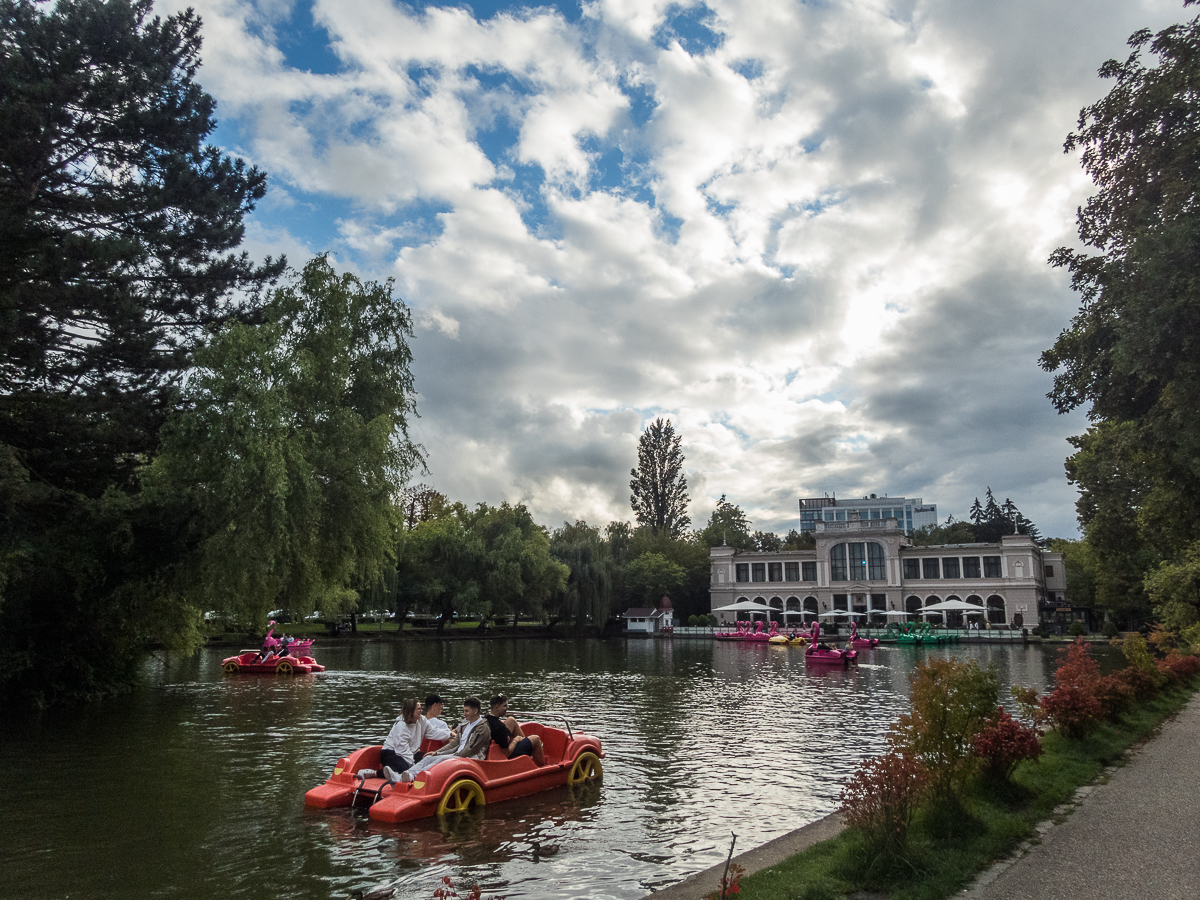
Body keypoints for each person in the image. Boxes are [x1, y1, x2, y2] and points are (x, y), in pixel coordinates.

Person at [397, 697, 492, 783]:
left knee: (442, 759)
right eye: (464, 711)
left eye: (466, 711)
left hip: (473, 759)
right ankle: (405, 775)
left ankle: (416, 776)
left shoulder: (482, 728)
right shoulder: (465, 726)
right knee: (429, 757)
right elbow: (454, 744)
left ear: (475, 711)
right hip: (460, 756)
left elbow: (472, 749)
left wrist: (452, 755)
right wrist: (436, 752)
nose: (464, 714)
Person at [484, 694, 545, 766]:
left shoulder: (486, 718)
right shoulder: (500, 727)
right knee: (536, 739)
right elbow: (507, 753)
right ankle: (542, 767)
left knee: (511, 720)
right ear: (496, 707)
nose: (508, 707)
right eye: (505, 706)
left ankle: (527, 751)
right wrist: (515, 741)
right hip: (504, 755)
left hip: (497, 746)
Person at [380, 698, 427, 782]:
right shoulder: (401, 725)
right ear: (411, 711)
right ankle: (374, 773)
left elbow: (433, 731)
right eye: (419, 709)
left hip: (409, 752)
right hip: (391, 752)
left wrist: (449, 734)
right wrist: (412, 765)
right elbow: (401, 750)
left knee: (426, 758)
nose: (421, 711)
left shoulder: (421, 720)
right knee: (405, 770)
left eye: (421, 708)